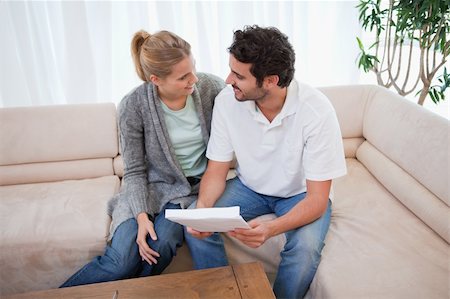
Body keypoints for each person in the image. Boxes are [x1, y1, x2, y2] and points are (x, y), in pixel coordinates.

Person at [185, 25, 347, 298]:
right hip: (249, 188)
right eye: (230, 70)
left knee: (305, 249)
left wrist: (271, 228)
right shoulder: (227, 101)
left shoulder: (316, 112)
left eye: (238, 75)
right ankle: (225, 294)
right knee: (194, 223)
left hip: (301, 194)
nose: (227, 80)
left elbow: (318, 199)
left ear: (270, 80)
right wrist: (202, 211)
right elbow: (216, 170)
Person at [60, 29, 225, 287]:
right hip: (149, 188)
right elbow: (135, 171)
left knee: (163, 243)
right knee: (121, 261)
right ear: (156, 79)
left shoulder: (210, 88)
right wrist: (141, 217)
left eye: (193, 68)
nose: (194, 79)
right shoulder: (133, 106)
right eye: (183, 77)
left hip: (188, 192)